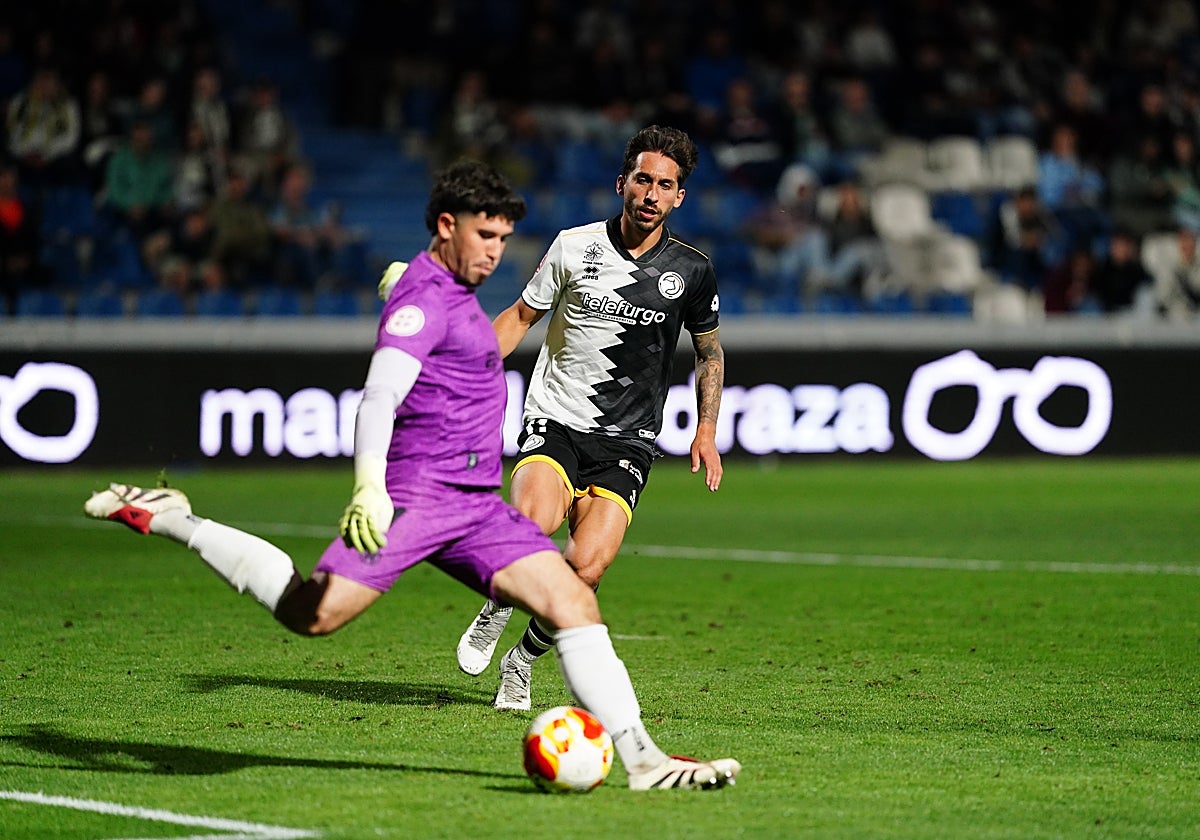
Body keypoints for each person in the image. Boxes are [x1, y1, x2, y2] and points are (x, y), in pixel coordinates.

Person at [82, 159, 739, 792]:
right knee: (313, 616)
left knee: (574, 601)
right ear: (446, 226)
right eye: (484, 236)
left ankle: (644, 759)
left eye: (503, 239)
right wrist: (369, 485)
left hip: (476, 505)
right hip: (417, 502)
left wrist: (406, 280)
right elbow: (379, 396)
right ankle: (175, 517)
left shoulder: (449, 292)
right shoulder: (424, 304)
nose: (494, 252)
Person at [452, 125, 726, 712]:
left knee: (588, 566)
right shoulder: (574, 246)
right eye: (643, 179)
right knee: (533, 521)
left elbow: (709, 353)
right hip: (557, 419)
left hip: (629, 438)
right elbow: (522, 316)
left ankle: (522, 658)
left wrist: (706, 428)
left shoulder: (693, 271)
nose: (651, 193)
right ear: (622, 182)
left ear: (679, 198)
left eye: (666, 185)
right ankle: (498, 604)